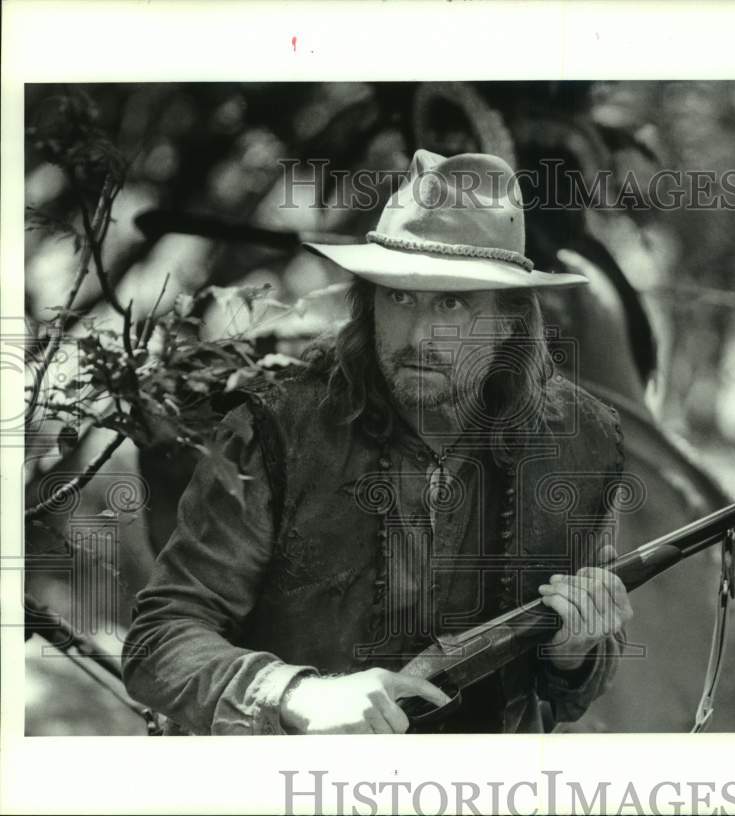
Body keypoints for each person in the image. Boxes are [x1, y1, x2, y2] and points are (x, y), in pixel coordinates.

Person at [123, 149, 633, 735]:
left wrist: (575, 652)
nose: (418, 337)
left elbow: (568, 692)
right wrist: (297, 696)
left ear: (511, 319)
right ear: (368, 301)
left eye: (451, 302)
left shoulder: (584, 444)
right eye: (399, 296)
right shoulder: (276, 429)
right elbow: (161, 639)